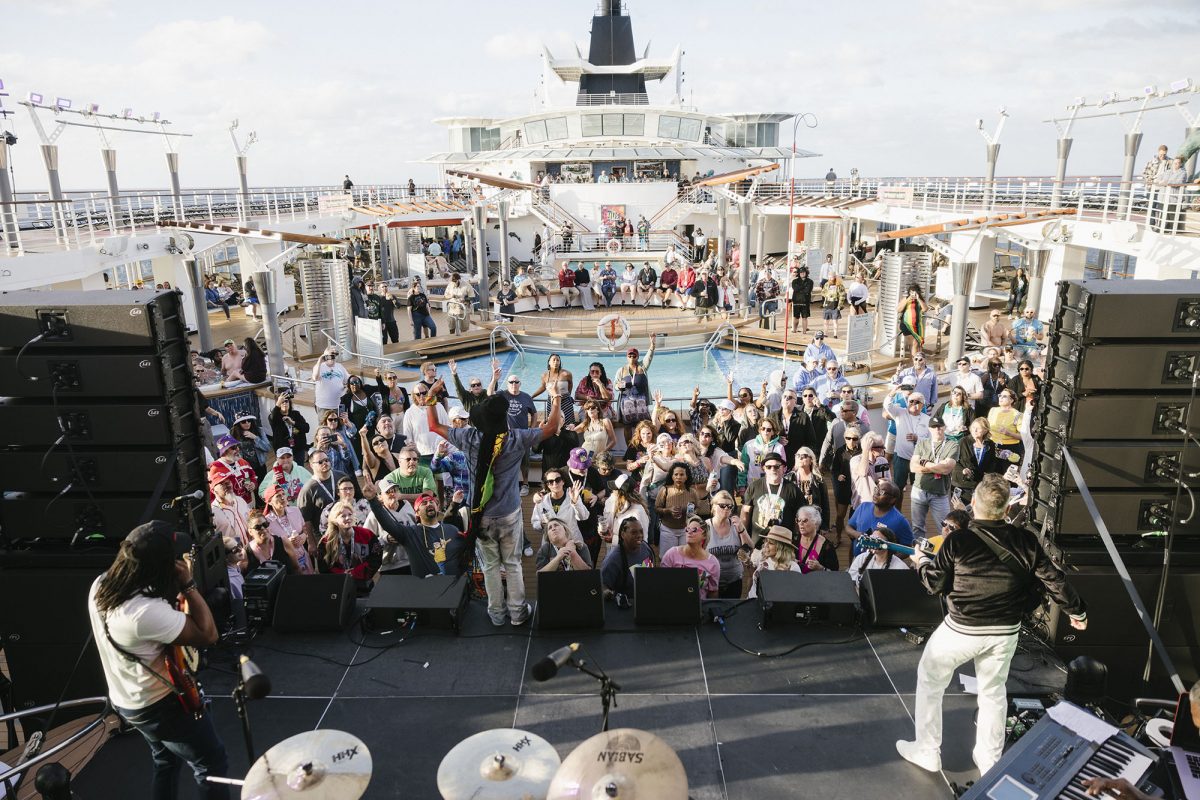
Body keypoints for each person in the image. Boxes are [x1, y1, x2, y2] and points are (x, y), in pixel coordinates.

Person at [897, 474, 1088, 776]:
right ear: (1007, 507)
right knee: (993, 691)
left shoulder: (958, 540)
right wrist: (1077, 612)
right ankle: (989, 760)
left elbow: (934, 584)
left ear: (973, 503)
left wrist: (921, 561)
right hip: (1005, 631)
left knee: (931, 680)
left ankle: (927, 750)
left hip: (962, 628)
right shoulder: (1026, 541)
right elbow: (1054, 580)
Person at [87, 522, 228, 799]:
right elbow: (208, 634)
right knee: (211, 765)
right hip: (161, 707)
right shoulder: (142, 613)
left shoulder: (102, 584)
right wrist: (188, 584)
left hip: (129, 699)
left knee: (165, 761)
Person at [430, 389, 561, 625]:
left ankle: (497, 615)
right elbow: (552, 427)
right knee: (512, 564)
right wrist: (556, 397)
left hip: (480, 514)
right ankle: (518, 614)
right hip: (509, 513)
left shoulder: (468, 437)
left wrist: (431, 398)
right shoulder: (517, 438)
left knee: (490, 567)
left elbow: (433, 425)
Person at [361, 485, 457, 577]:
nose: (429, 504)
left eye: (431, 502)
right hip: (421, 583)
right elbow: (388, 524)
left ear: (437, 507)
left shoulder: (451, 529)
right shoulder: (411, 533)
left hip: (450, 583)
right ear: (417, 513)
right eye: (424, 503)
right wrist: (373, 500)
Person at [316, 499, 382, 591]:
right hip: (337, 587)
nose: (348, 518)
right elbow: (323, 567)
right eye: (343, 516)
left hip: (364, 586)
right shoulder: (326, 541)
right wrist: (342, 574)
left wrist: (354, 573)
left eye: (350, 514)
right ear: (335, 520)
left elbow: (376, 559)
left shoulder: (367, 535)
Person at [909, 418, 958, 539]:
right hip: (919, 490)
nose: (937, 429)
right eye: (934, 427)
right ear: (929, 429)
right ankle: (919, 549)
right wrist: (938, 466)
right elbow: (913, 467)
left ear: (944, 427)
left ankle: (945, 550)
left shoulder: (953, 445)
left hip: (940, 494)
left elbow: (946, 469)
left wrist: (925, 463)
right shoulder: (922, 443)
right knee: (917, 527)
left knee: (946, 528)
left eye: (940, 426)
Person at [660, 515, 721, 599]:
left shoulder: (712, 562)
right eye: (687, 529)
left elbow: (713, 592)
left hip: (700, 605)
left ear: (704, 535)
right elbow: (662, 583)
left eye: (694, 530)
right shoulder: (671, 554)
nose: (689, 532)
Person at [848, 481, 914, 554]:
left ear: (892, 499)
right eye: (876, 489)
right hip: (858, 559)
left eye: (882, 492)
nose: (876, 493)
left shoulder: (900, 521)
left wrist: (889, 559)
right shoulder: (863, 507)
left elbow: (909, 548)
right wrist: (856, 534)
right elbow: (849, 526)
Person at [600, 517, 656, 602]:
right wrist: (609, 594)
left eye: (641, 531)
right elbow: (602, 585)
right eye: (634, 532)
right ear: (622, 535)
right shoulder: (613, 559)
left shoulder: (646, 548)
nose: (639, 535)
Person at [747, 525, 802, 598]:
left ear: (781, 547)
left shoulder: (792, 567)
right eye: (766, 541)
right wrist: (748, 563)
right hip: (752, 602)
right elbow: (753, 578)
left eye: (771, 543)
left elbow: (795, 595)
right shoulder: (762, 556)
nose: (766, 545)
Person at [615, 339, 656, 432]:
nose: (632, 357)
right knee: (627, 427)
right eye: (630, 355)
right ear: (627, 357)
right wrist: (618, 386)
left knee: (644, 426)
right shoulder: (621, 370)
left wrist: (652, 345)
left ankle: (641, 441)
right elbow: (615, 385)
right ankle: (629, 443)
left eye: (634, 355)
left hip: (641, 402)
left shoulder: (642, 367)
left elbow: (649, 357)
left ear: (637, 357)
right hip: (626, 402)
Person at [244, 509, 301, 574]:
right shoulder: (246, 552)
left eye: (265, 524)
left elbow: (297, 568)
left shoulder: (283, 542)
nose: (263, 528)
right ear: (250, 532)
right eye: (257, 527)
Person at [795, 505, 838, 572]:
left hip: (817, 579)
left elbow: (835, 573)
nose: (801, 523)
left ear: (815, 522)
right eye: (799, 520)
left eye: (805, 520)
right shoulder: (793, 540)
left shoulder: (827, 547)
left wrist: (821, 568)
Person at [312, 347, 349, 420]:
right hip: (324, 406)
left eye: (335, 355)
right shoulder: (319, 367)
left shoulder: (340, 367)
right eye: (331, 355)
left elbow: (348, 380)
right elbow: (315, 377)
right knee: (323, 426)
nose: (333, 358)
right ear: (325, 356)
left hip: (339, 405)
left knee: (340, 426)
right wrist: (319, 361)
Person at [897, 285, 926, 358]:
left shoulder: (920, 300)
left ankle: (916, 360)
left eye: (914, 292)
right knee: (914, 343)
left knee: (916, 344)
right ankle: (915, 360)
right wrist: (908, 299)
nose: (913, 294)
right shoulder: (906, 299)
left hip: (917, 326)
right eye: (911, 292)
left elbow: (925, 309)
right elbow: (898, 309)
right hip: (906, 324)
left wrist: (918, 299)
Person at [789, 265, 813, 334]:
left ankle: (804, 332)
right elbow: (795, 289)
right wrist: (804, 287)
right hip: (796, 301)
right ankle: (794, 330)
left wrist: (800, 289)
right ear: (799, 273)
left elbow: (807, 291)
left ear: (806, 273)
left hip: (805, 302)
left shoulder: (810, 281)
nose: (802, 273)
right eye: (801, 272)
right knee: (796, 317)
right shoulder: (794, 281)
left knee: (804, 317)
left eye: (804, 272)